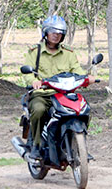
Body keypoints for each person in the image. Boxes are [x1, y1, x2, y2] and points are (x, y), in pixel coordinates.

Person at [24, 15, 93, 159]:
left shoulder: (68, 53)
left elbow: (77, 69)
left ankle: (79, 144)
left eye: (60, 32)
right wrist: (34, 82)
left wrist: (86, 78)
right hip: (43, 94)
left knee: (84, 109)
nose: (56, 35)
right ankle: (36, 145)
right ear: (45, 32)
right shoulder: (34, 52)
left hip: (64, 94)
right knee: (38, 109)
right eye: (53, 31)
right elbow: (28, 74)